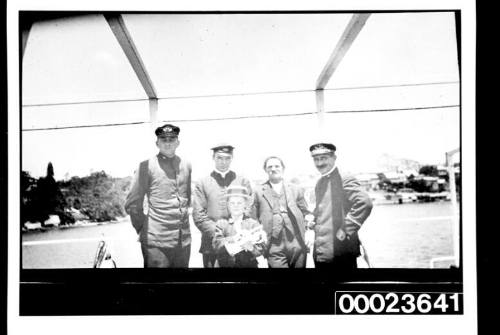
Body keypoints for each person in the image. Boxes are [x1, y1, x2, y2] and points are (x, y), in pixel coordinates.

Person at [124, 124, 192, 268]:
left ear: (178, 142)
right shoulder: (145, 166)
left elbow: (187, 199)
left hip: (183, 242)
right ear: (157, 143)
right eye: (163, 140)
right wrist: (143, 229)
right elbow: (133, 204)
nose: (168, 143)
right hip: (156, 244)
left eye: (172, 139)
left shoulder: (186, 165)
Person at [309, 143, 372, 270]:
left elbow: (365, 203)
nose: (319, 163)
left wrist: (345, 229)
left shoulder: (344, 178)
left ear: (334, 158)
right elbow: (323, 209)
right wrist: (312, 219)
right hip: (321, 251)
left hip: (341, 249)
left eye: (324, 158)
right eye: (316, 159)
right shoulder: (320, 182)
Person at [192, 144, 253, 268]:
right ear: (213, 158)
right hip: (212, 244)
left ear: (232, 158)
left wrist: (237, 235)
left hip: (240, 242)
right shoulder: (202, 183)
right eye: (219, 158)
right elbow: (199, 215)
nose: (223, 162)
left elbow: (250, 209)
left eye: (227, 158)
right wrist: (221, 236)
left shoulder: (242, 181)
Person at [252, 156, 313, 268]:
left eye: (277, 166)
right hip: (273, 244)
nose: (273, 169)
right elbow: (253, 218)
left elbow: (306, 213)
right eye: (270, 166)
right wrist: (258, 234)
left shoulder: (295, 189)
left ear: (283, 168)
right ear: (265, 170)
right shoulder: (258, 191)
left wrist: (309, 231)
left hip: (297, 241)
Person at [212, 186, 267, 268]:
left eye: (239, 203)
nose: (236, 206)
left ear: (245, 204)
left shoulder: (253, 224)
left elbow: (262, 248)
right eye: (232, 203)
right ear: (227, 205)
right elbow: (216, 245)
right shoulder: (221, 224)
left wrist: (251, 248)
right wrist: (234, 239)